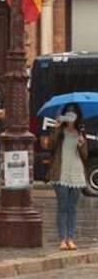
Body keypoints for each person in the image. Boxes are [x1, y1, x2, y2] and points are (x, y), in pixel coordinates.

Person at [46, 103, 89, 250]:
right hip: (61, 172)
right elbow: (50, 146)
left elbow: (85, 156)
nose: (71, 116)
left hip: (76, 172)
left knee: (72, 208)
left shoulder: (81, 132)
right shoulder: (59, 130)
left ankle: (71, 238)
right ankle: (62, 239)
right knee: (62, 206)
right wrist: (56, 129)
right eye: (68, 113)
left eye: (74, 113)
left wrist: (82, 145)